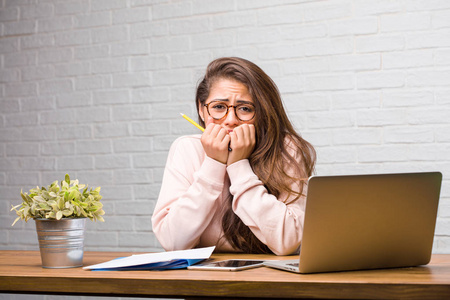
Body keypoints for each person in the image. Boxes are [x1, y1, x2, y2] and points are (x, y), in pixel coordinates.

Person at [152, 57, 316, 255]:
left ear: (262, 113)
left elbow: (287, 242)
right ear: (202, 109)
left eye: (245, 109)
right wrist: (213, 163)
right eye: (219, 107)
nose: (230, 120)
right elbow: (173, 242)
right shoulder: (187, 148)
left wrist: (238, 165)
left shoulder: (286, 149)